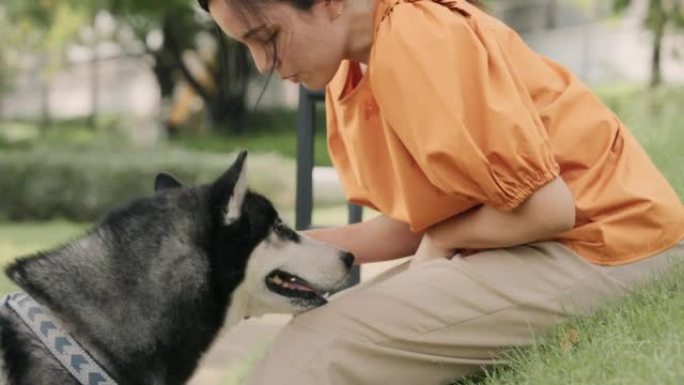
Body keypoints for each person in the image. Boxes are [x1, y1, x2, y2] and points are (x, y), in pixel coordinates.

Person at [199, 0, 684, 383]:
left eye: (267, 37)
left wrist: (445, 239)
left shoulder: (417, 38)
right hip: (558, 240)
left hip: (613, 245)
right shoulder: (358, 63)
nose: (262, 63)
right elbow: (420, 221)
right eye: (248, 46)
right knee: (324, 331)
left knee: (319, 345)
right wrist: (270, 255)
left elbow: (549, 208)